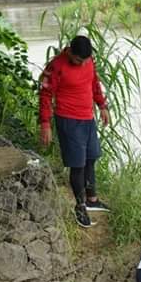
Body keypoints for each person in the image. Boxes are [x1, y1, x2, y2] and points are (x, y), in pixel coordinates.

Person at [39, 34, 110, 228]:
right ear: (70, 51)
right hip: (69, 120)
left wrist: (103, 106)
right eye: (79, 60)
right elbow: (45, 95)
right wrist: (45, 124)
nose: (82, 63)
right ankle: (80, 207)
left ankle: (92, 199)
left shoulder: (88, 61)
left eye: (85, 60)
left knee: (91, 157)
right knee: (77, 165)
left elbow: (94, 84)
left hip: (88, 117)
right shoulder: (56, 66)